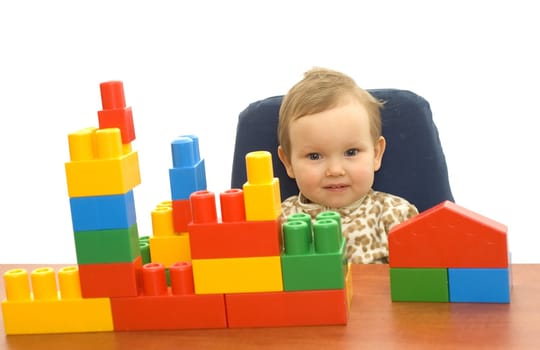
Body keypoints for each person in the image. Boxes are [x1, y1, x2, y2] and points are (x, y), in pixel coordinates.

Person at [277, 67, 418, 264]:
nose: (335, 170)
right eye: (315, 156)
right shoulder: (279, 221)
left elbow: (425, 280)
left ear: (376, 154)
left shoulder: (394, 215)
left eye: (351, 153)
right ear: (288, 162)